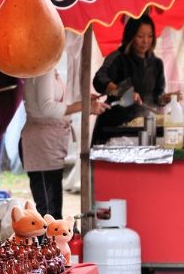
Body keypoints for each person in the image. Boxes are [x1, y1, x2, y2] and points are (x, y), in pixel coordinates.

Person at [20, 69, 107, 219]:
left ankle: (54, 241)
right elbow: (47, 108)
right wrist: (83, 105)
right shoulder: (43, 72)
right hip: (42, 145)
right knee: (47, 210)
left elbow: (53, 104)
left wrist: (82, 103)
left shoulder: (51, 71)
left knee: (53, 209)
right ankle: (47, 242)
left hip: (50, 142)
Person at [91, 13, 166, 144]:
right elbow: (99, 80)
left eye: (150, 36)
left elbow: (156, 96)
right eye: (140, 36)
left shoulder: (156, 64)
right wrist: (124, 91)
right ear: (131, 36)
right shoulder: (118, 58)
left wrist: (166, 98)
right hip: (114, 128)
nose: (145, 41)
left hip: (145, 128)